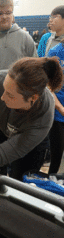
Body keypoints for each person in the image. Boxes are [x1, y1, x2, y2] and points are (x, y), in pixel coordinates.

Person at [0, 0, 37, 87]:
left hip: (18, 96)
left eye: (8, 13)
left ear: (12, 13)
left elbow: (34, 70)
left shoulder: (25, 38)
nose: (4, 17)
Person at [47, 40, 64, 174]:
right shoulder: (55, 52)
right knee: (57, 155)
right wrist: (60, 108)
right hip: (58, 114)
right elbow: (48, 86)